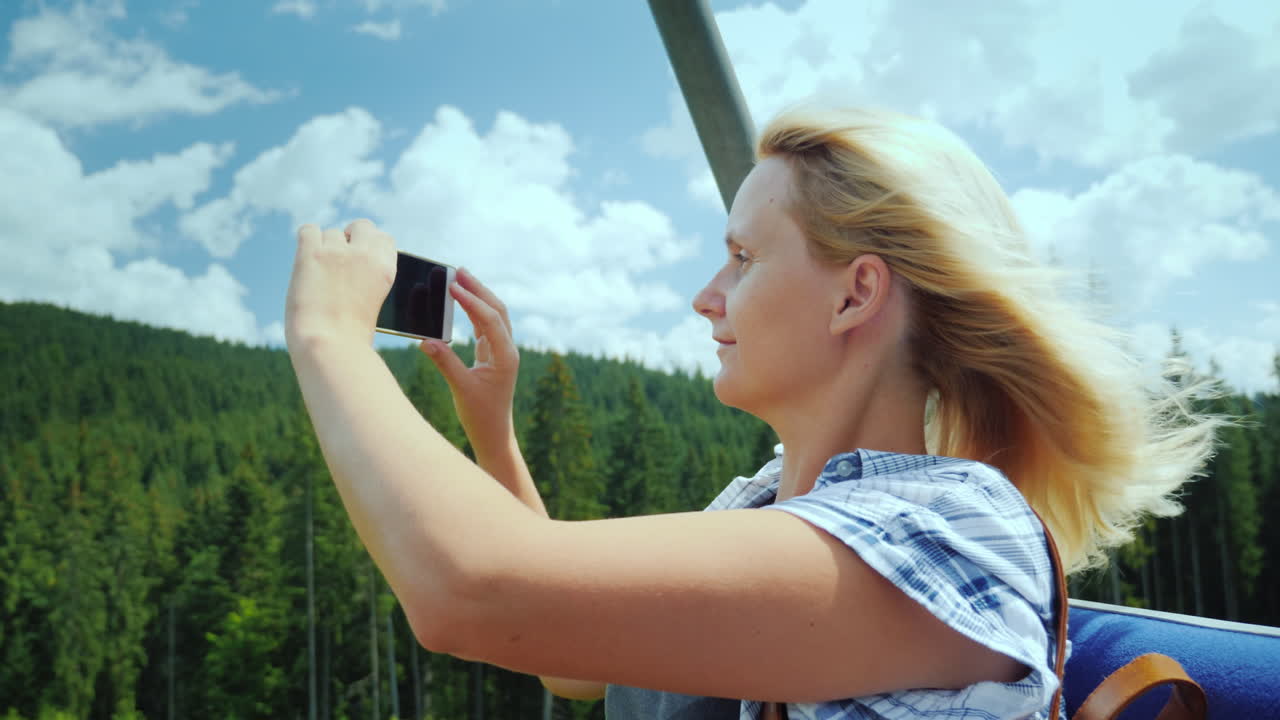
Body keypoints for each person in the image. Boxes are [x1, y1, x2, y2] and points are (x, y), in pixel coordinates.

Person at [284, 106, 1218, 719]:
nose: (707, 295)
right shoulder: (763, 511)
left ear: (855, 297)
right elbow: (573, 658)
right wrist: (496, 431)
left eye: (742, 257)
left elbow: (477, 594)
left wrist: (330, 337)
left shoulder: (949, 532)